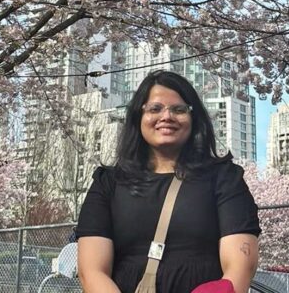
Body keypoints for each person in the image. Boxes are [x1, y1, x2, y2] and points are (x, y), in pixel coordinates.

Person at [77, 70, 260, 293]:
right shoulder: (108, 183)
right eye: (155, 108)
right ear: (138, 116)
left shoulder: (224, 178)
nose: (167, 116)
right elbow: (92, 271)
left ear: (194, 118)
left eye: (179, 109)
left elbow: (240, 266)